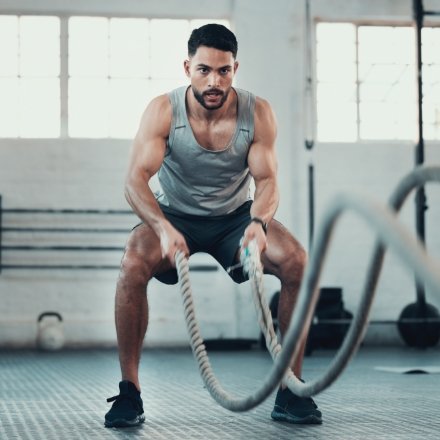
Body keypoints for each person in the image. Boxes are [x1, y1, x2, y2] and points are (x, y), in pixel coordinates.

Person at [104, 23, 322, 428]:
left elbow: (269, 180)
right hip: (173, 215)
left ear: (235, 68)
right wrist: (164, 229)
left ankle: (291, 390)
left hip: (234, 219)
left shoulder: (257, 113)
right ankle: (129, 392)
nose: (214, 80)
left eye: (223, 71)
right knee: (132, 264)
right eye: (204, 70)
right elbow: (135, 181)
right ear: (188, 67)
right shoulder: (163, 110)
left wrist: (259, 222)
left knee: (297, 262)